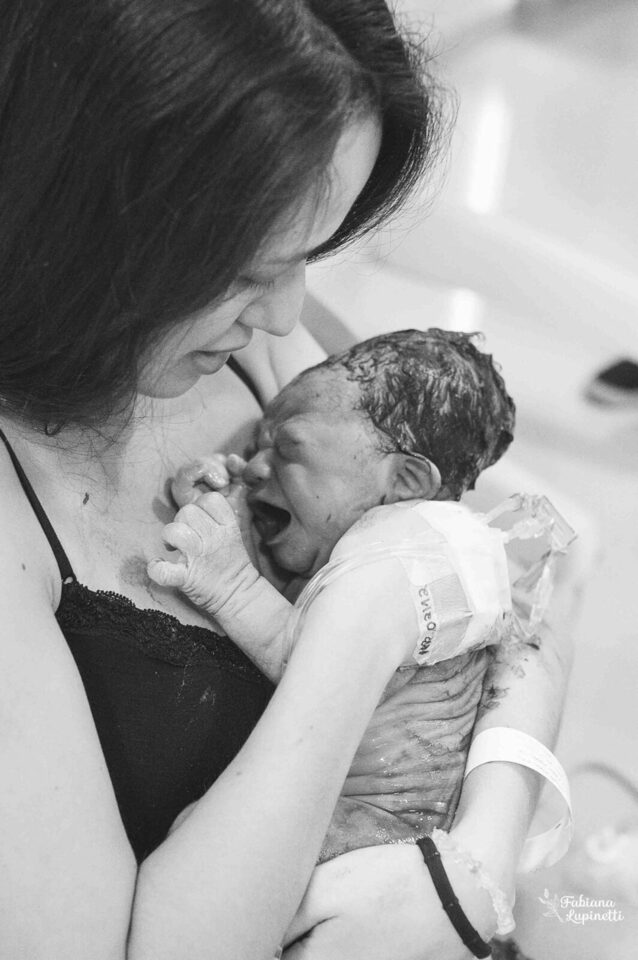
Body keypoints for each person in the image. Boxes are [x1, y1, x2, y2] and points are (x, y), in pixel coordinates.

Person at [0, 3, 577, 959]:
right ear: (85, 221)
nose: (287, 311)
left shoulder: (259, 361)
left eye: (309, 254)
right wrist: (363, 630)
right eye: (249, 265)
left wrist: (483, 850)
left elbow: (519, 594)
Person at [150, 328, 522, 866]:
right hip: (376, 821)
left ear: (406, 480)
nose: (254, 466)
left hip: (386, 828)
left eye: (287, 449)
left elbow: (315, 675)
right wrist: (226, 512)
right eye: (256, 447)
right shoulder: (362, 543)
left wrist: (229, 580)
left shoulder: (409, 564)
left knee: (203, 838)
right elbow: (299, 612)